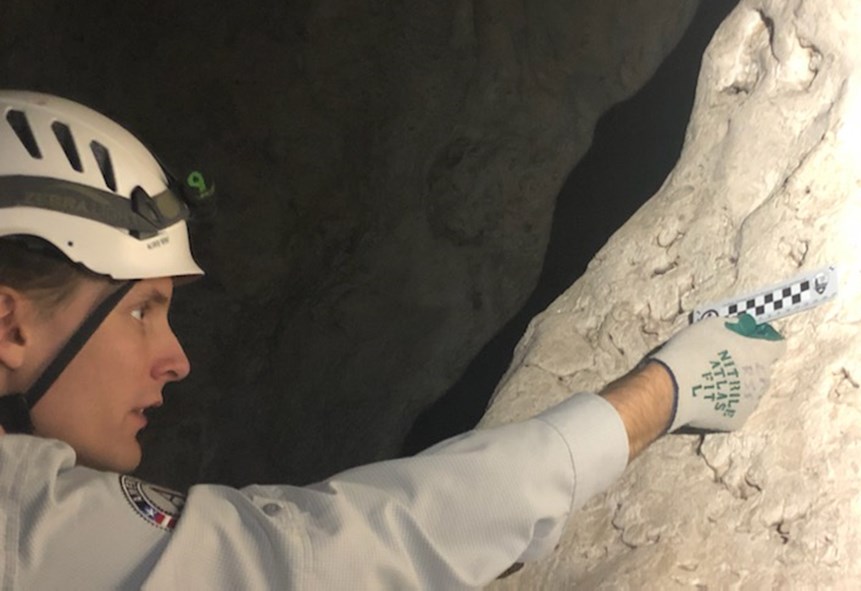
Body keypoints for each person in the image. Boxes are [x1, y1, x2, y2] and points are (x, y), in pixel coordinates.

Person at [0, 90, 786, 590]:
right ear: (10, 323)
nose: (176, 359)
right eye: (142, 308)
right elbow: (319, 560)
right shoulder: (19, 525)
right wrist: (663, 393)